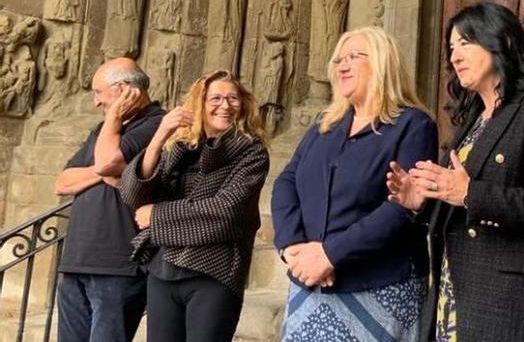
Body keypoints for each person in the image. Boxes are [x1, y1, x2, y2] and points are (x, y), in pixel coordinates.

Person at [387, 1, 524, 341]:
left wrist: (469, 193)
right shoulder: (472, 122)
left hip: (514, 307)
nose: (454, 56)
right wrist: (422, 202)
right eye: (450, 48)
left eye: (465, 43)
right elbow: (461, 208)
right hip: (457, 295)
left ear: (503, 42)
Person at [272, 26, 437, 341]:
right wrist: (291, 246)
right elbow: (287, 181)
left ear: (382, 62)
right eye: (338, 60)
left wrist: (330, 254)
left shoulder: (413, 125)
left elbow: (402, 208)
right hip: (311, 284)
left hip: (379, 286)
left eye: (353, 57)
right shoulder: (325, 124)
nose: (341, 66)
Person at [119, 70, 269, 342]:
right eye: (216, 98)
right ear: (199, 104)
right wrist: (160, 135)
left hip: (214, 271)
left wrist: (157, 215)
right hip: (164, 269)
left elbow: (225, 212)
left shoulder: (252, 152)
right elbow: (133, 194)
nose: (225, 105)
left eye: (233, 98)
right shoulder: (180, 147)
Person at [55, 57, 164, 342]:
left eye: (98, 92)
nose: (95, 102)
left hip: (118, 265)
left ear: (123, 89)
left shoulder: (156, 123)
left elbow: (107, 162)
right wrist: (102, 171)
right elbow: (62, 182)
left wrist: (114, 119)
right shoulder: (101, 131)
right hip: (77, 261)